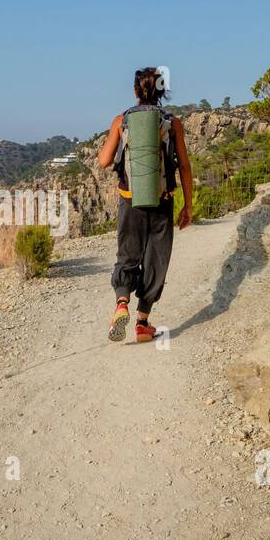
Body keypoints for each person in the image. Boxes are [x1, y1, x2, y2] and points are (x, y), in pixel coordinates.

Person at [96, 67, 193, 343]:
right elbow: (184, 167)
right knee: (156, 260)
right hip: (162, 202)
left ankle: (122, 303)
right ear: (161, 92)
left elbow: (104, 161)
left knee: (128, 255)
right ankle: (142, 323)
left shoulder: (121, 120)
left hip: (130, 202)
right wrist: (188, 206)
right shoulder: (173, 123)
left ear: (136, 91)